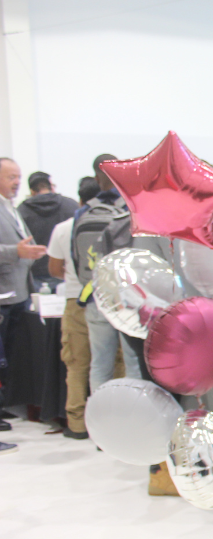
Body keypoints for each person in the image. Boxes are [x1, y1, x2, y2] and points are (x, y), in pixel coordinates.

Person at [78, 155, 141, 392]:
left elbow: (79, 260)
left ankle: (99, 424)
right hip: (127, 298)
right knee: (133, 363)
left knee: (100, 364)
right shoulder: (131, 209)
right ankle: (133, 420)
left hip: (95, 295)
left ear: (96, 178)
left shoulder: (83, 212)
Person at [46, 177, 101, 440]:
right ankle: (110, 424)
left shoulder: (64, 228)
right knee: (111, 362)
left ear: (79, 199)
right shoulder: (117, 222)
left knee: (77, 364)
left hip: (74, 299)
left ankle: (77, 424)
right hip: (107, 300)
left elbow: (54, 269)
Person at [0, 157, 47, 452]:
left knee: (8, 360)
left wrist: (27, 253)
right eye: (10, 177)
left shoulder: (11, 208)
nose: (17, 181)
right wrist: (15, 252)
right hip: (4, 294)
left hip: (18, 293)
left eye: (18, 176)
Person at [18, 171, 78, 292]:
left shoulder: (21, 210)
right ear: (51, 187)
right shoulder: (71, 205)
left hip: (35, 274)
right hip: (64, 272)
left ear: (32, 191)